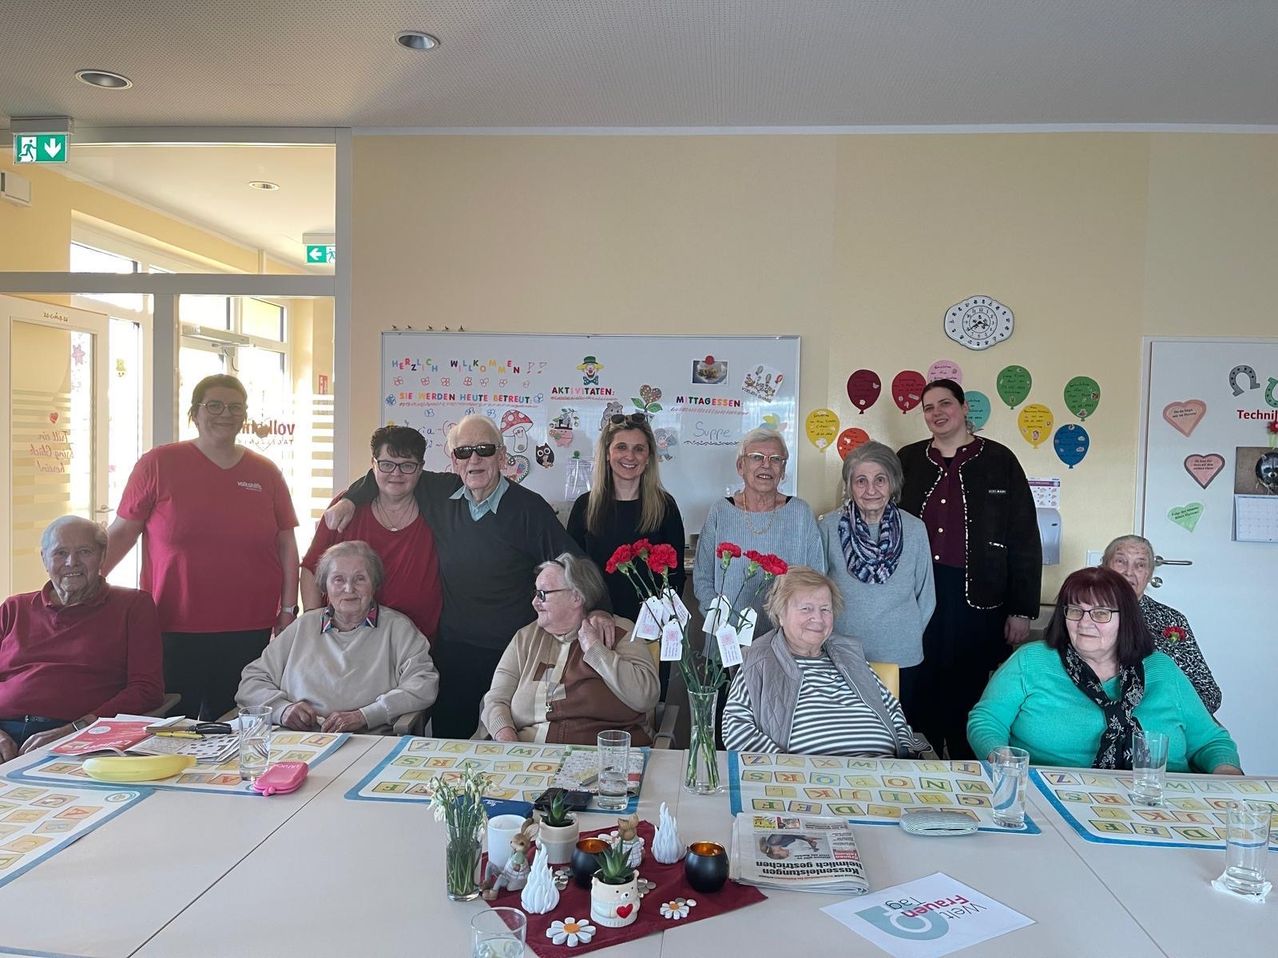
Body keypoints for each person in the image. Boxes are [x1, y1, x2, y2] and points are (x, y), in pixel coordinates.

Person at [328, 413, 584, 738]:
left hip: (515, 651)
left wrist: (597, 610)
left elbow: (575, 565)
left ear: (502, 456)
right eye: (464, 452)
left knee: (511, 742)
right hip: (454, 650)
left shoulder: (529, 509)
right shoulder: (440, 492)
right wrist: (350, 499)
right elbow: (388, 471)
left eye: (484, 450)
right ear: (453, 460)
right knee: (452, 744)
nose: (474, 460)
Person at [105, 374, 299, 720]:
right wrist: (86, 587)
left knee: (237, 722)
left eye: (235, 407)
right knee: (174, 724)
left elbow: (286, 544)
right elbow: (122, 533)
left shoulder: (265, 472)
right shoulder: (159, 464)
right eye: (214, 405)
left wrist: (287, 609)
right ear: (195, 413)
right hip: (174, 622)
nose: (225, 413)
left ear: (244, 416)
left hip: (249, 625)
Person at [967, 567, 1241, 773]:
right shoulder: (1032, 661)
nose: (1084, 623)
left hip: (1159, 803)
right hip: (1052, 797)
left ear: (1127, 620)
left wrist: (1226, 773)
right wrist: (999, 757)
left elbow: (1210, 742)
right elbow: (987, 719)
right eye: (1075, 610)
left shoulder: (1162, 670)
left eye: (1100, 614)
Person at [897, 378, 1041, 759]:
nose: (937, 413)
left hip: (980, 594)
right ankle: (918, 766)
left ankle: (967, 772)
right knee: (917, 680)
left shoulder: (999, 460)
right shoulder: (907, 459)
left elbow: (1024, 536)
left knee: (968, 686)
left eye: (945, 404)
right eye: (928, 408)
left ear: (963, 409)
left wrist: (1021, 609)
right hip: (915, 593)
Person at [1, 516, 163, 761]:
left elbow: (147, 689)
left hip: (82, 736)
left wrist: (77, 730)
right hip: (5, 733)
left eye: (84, 551)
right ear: (44, 559)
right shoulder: (14, 608)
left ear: (102, 555)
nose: (71, 562)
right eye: (60, 553)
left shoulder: (133, 607)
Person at [721, 567, 929, 757]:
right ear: (780, 614)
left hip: (880, 774)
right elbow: (735, 727)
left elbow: (892, 711)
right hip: (806, 780)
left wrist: (906, 760)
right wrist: (784, 764)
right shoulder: (758, 660)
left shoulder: (850, 655)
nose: (818, 619)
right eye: (806, 609)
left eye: (825, 609)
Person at [236, 541, 438, 734]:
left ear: (374, 584)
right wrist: (282, 710)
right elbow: (252, 681)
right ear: (325, 587)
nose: (349, 589)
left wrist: (366, 715)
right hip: (297, 739)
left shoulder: (397, 628)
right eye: (338, 579)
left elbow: (424, 684)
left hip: (366, 741)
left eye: (360, 579)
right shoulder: (303, 626)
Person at [479, 553, 658, 745]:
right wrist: (508, 741)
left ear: (576, 596)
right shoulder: (525, 638)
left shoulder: (619, 631)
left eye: (542, 594)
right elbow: (495, 700)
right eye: (535, 593)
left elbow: (645, 697)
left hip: (606, 755)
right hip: (531, 755)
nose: (534, 603)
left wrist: (595, 649)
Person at [818, 441, 935, 703]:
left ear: (893, 483)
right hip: (842, 654)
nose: (871, 489)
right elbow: (816, 594)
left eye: (880, 479)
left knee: (898, 737)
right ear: (849, 486)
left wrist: (905, 634)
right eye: (861, 481)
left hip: (902, 656)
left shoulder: (915, 529)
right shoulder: (828, 527)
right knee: (847, 735)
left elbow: (926, 596)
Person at [302, 426, 442, 643]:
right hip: (344, 641)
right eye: (386, 464)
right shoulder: (345, 510)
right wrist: (312, 626)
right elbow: (312, 568)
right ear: (373, 465)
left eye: (407, 465)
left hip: (419, 645)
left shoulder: (439, 511)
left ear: (420, 468)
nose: (396, 473)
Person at [693, 428, 824, 634]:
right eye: (756, 457)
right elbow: (702, 578)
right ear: (740, 466)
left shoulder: (800, 512)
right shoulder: (721, 511)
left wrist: (798, 627)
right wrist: (721, 624)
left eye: (775, 459)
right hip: (727, 637)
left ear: (782, 469)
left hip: (786, 637)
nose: (766, 465)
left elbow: (817, 577)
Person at [567, 413, 686, 621]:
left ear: (648, 457)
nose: (630, 456)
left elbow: (676, 576)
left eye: (639, 449)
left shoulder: (665, 507)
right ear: (607, 453)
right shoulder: (584, 506)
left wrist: (661, 620)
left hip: (650, 628)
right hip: (597, 623)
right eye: (621, 447)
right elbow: (572, 574)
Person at [1103, 534, 1221, 713]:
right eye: (1120, 561)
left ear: (1149, 574)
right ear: (1104, 568)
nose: (1129, 571)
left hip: (1166, 715)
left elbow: (1208, 692)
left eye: (1140, 565)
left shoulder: (1171, 619)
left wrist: (1168, 713)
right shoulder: (1086, 616)